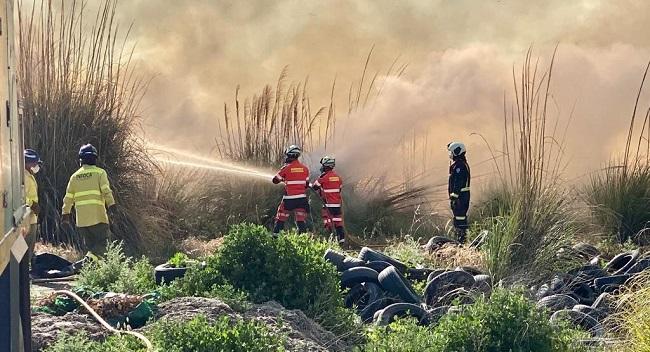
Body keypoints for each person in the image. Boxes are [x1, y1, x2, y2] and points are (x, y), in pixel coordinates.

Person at [61, 144, 116, 256]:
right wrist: (112, 206)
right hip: (98, 218)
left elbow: (68, 198)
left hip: (82, 221)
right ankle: (92, 264)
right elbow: (106, 191)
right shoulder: (100, 173)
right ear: (95, 159)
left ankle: (91, 268)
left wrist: (65, 215)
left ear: (81, 160)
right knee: (103, 245)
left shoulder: (75, 176)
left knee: (90, 247)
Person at [272, 145, 310, 235]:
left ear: (290, 155)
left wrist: (284, 179)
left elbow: (275, 180)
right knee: (300, 221)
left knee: (281, 219)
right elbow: (306, 185)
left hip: (289, 200)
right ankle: (303, 241)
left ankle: (276, 239)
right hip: (302, 200)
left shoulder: (286, 168)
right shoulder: (305, 169)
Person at [312, 156, 346, 245]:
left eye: (322, 165)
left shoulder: (323, 177)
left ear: (325, 166)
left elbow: (315, 187)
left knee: (328, 223)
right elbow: (339, 190)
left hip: (327, 206)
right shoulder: (338, 178)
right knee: (338, 223)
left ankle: (330, 241)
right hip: (337, 206)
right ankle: (341, 241)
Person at [447, 141, 471, 243]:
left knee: (460, 218)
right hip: (461, 196)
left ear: (457, 151)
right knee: (459, 218)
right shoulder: (460, 165)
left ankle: (461, 240)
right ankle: (461, 239)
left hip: (461, 197)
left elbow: (458, 182)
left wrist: (454, 197)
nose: (451, 154)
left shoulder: (459, 166)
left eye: (452, 152)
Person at [23, 149, 42, 265]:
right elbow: (19, 196)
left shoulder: (29, 175)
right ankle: (23, 274)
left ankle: (24, 271)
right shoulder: (23, 176)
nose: (36, 166)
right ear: (28, 163)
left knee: (29, 247)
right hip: (26, 219)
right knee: (25, 247)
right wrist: (32, 204)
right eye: (35, 163)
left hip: (31, 217)